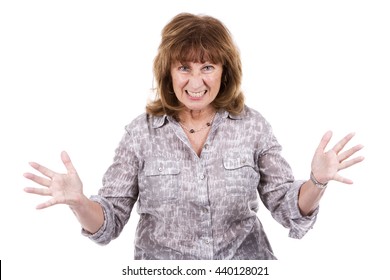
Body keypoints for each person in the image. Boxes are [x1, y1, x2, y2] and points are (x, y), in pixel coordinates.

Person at [23, 13, 364, 260]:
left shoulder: (253, 126)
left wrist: (317, 182)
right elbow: (109, 223)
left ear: (224, 71)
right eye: (184, 67)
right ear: (168, 72)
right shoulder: (140, 134)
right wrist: (80, 203)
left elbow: (289, 209)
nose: (196, 81)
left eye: (208, 67)